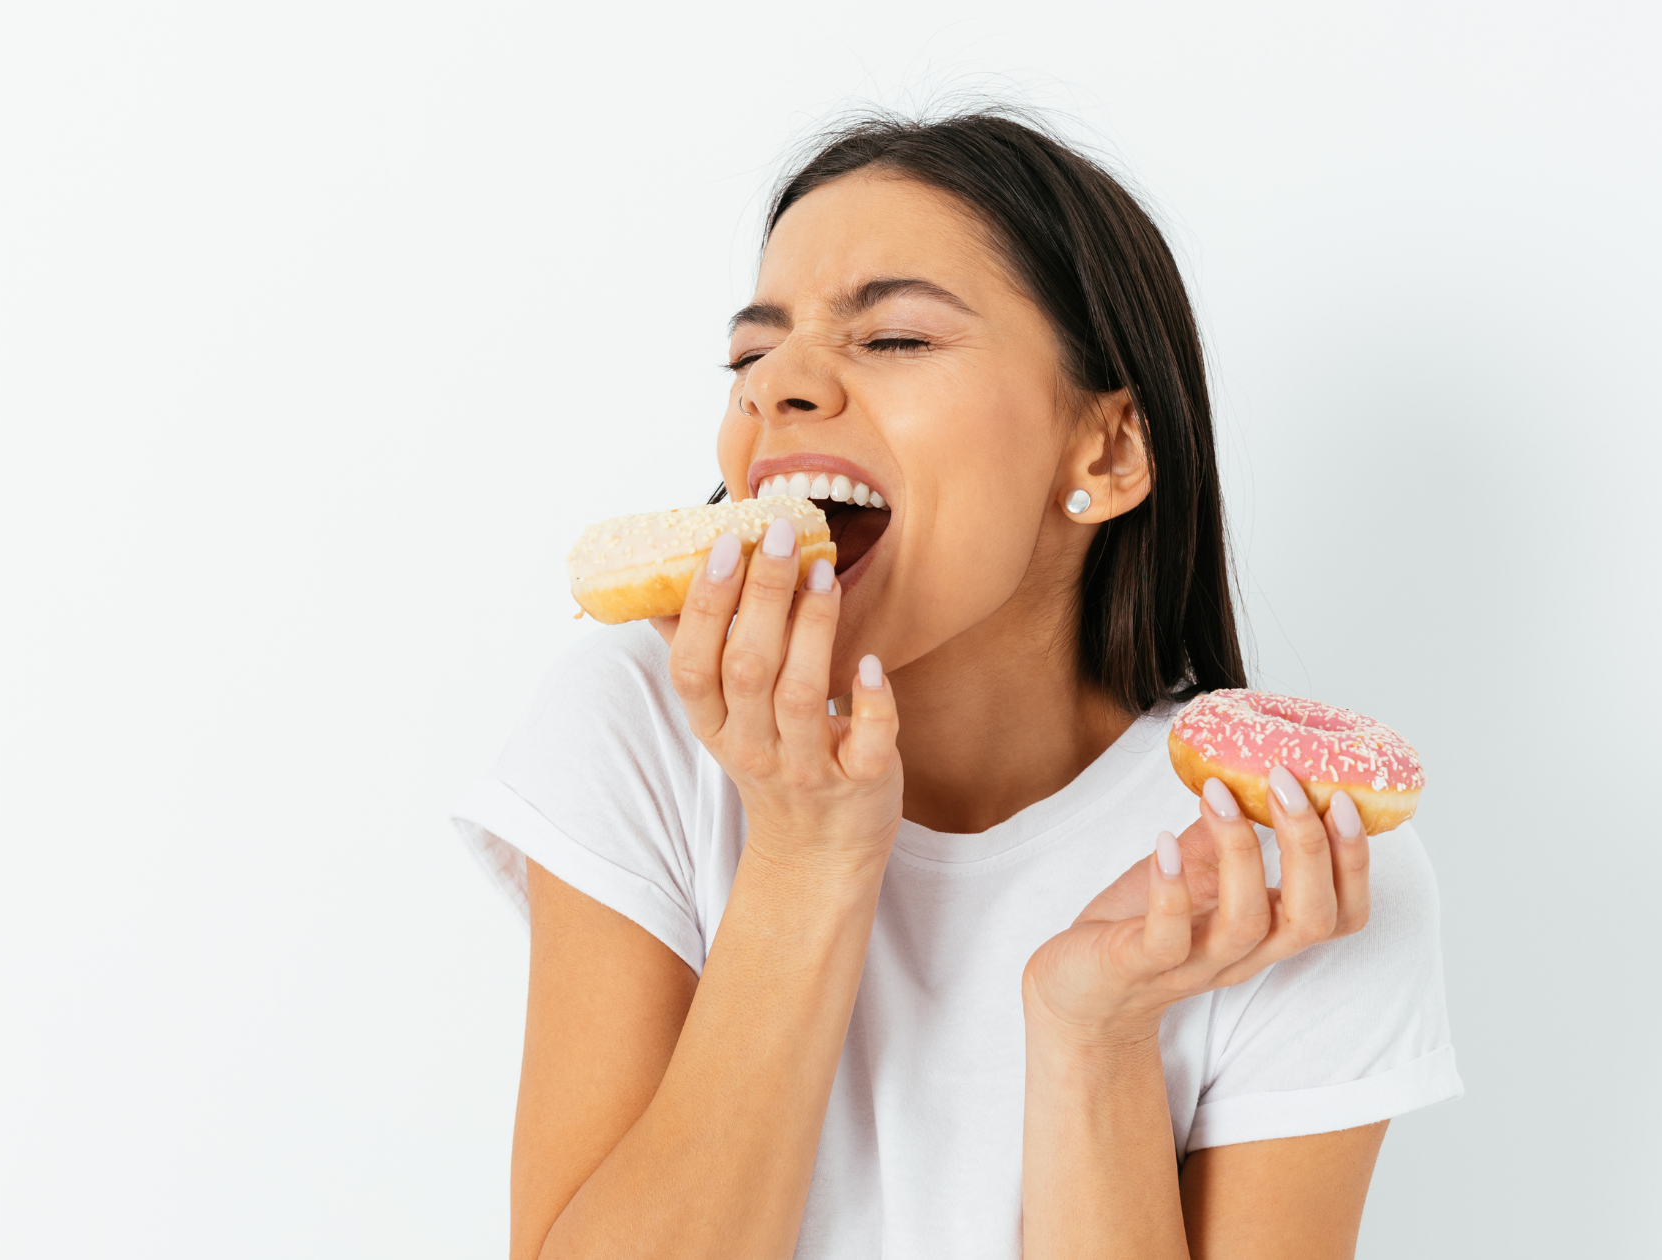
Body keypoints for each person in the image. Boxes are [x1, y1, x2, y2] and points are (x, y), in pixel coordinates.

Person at [453, 110, 1460, 1260]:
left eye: (892, 341)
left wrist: (1096, 1037)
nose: (774, 387)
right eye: (750, 355)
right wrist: (805, 860)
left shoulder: (1283, 859)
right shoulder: (640, 724)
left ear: (1106, 451)